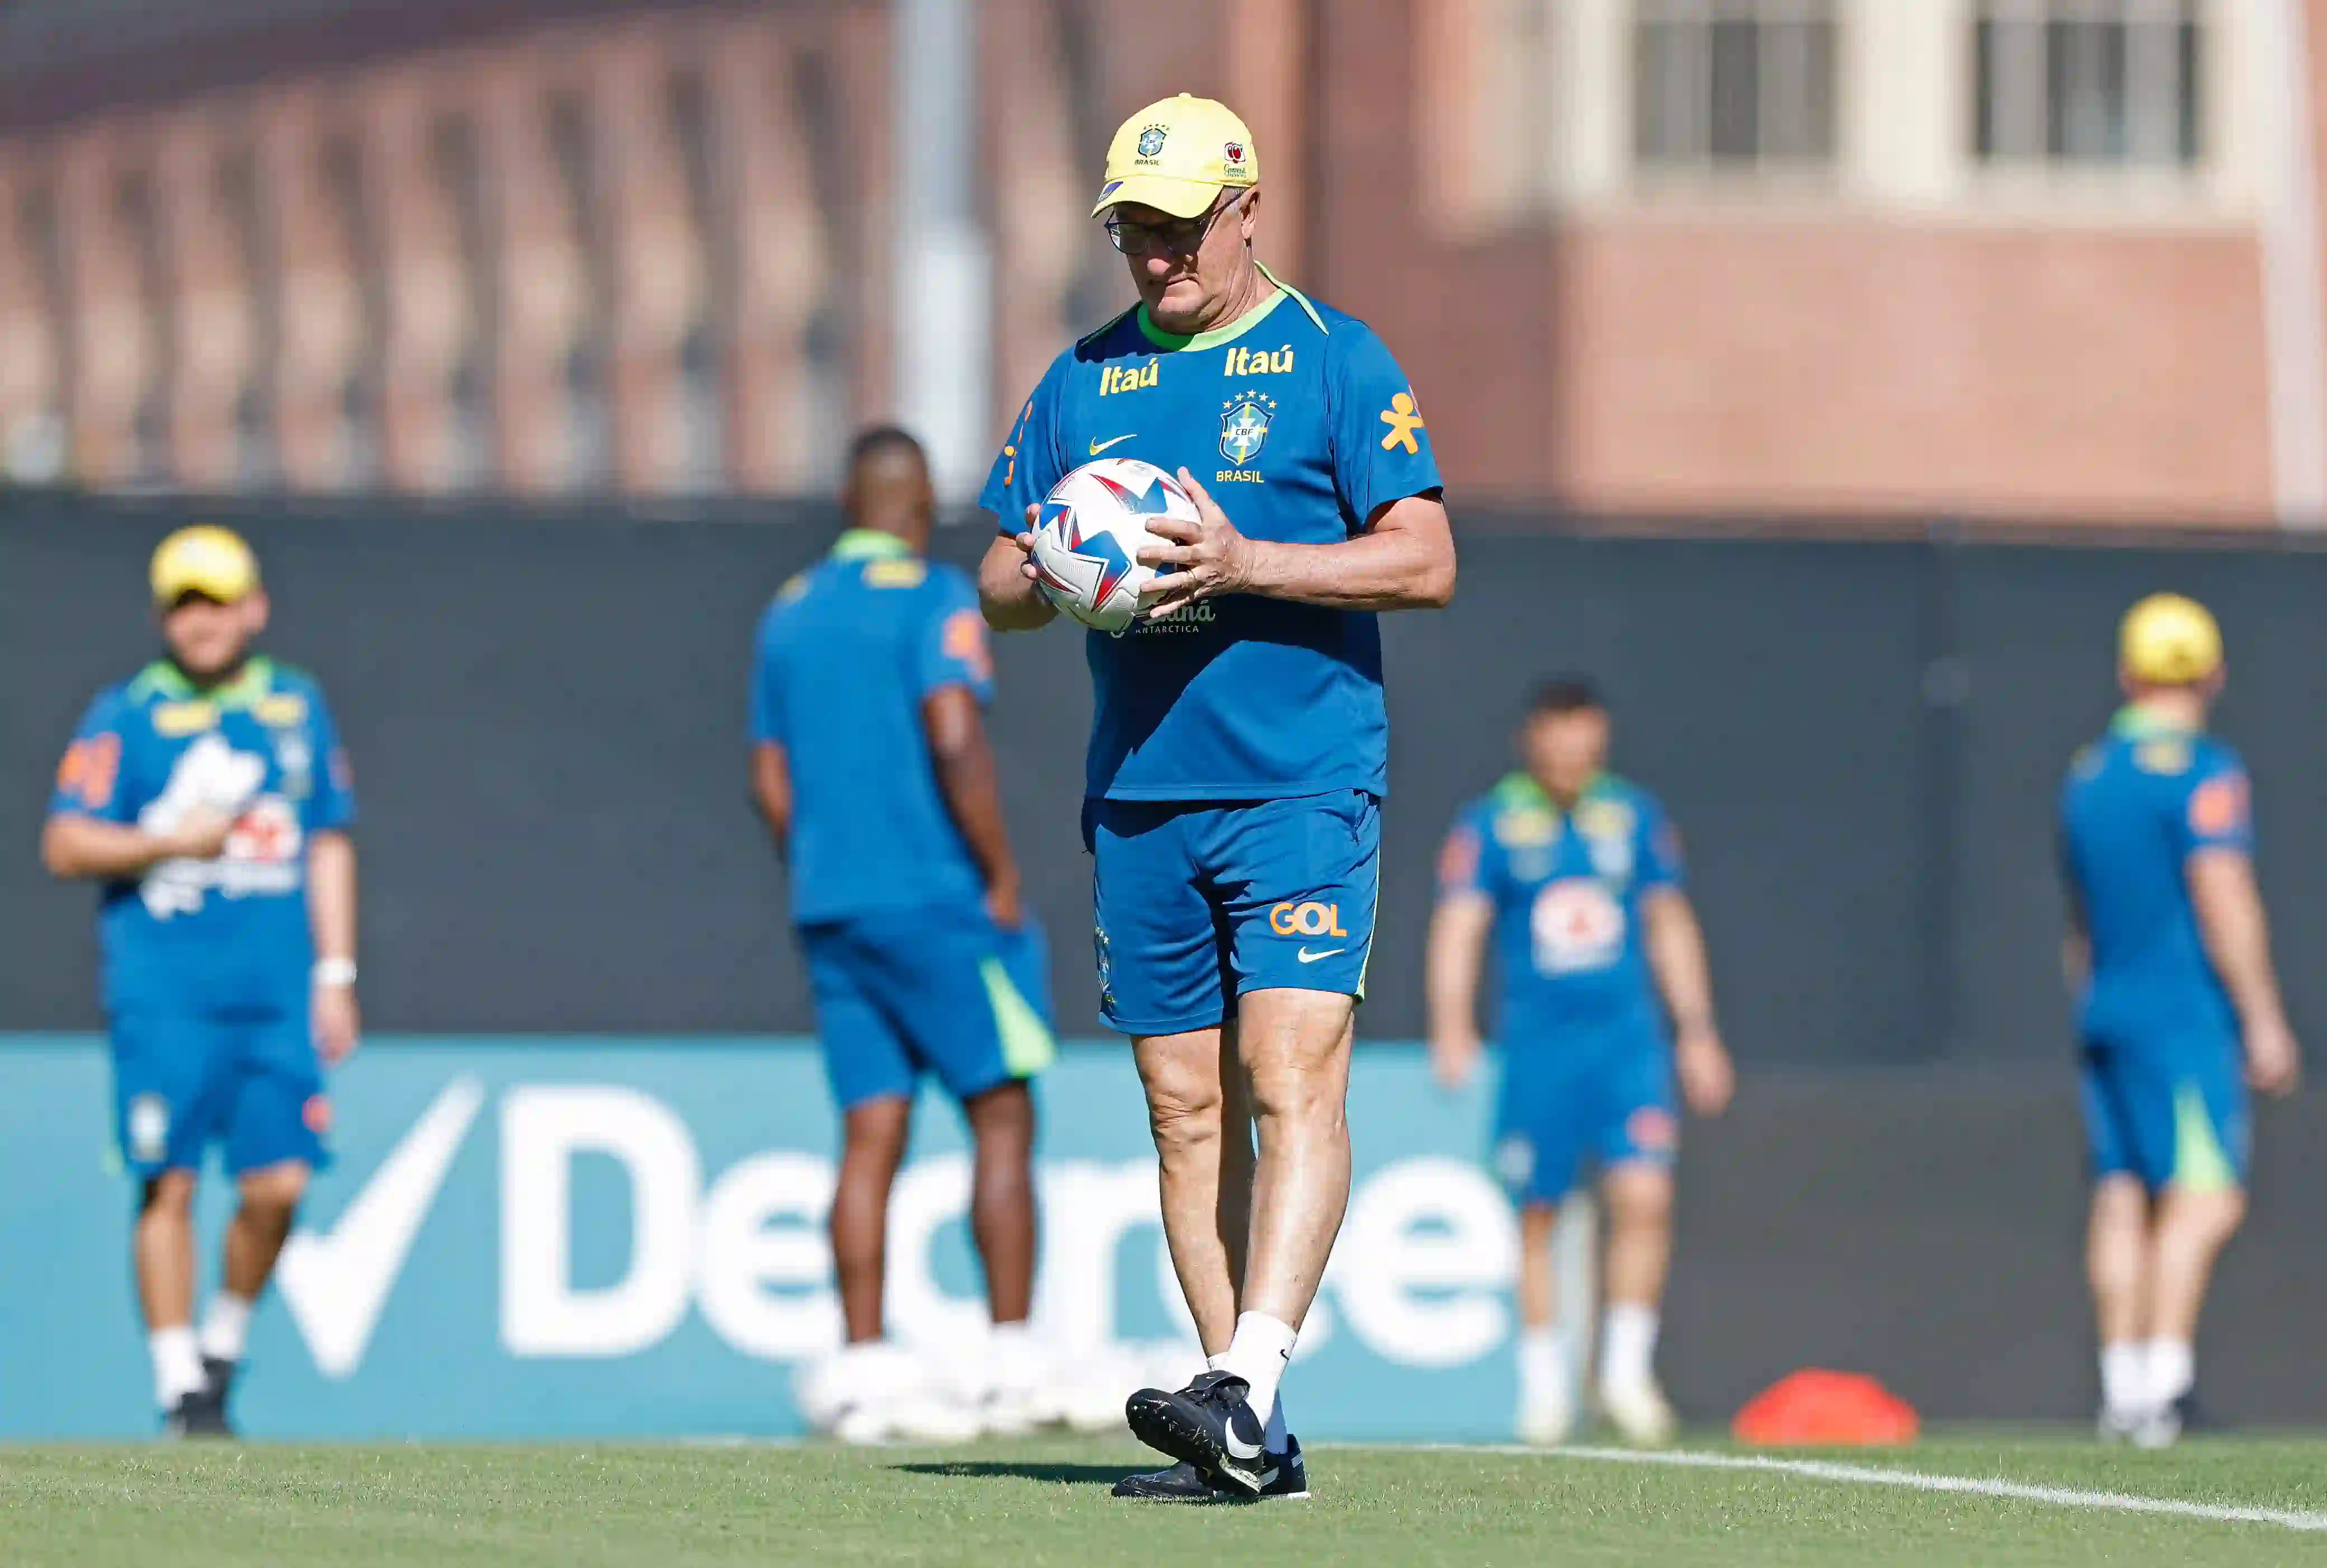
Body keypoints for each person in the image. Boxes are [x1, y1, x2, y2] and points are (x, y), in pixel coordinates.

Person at [977, 93, 1456, 1501]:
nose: (1156, 258)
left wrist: (1248, 563)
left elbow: (1422, 558)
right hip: (1140, 793)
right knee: (1182, 1107)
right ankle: (1237, 1428)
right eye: (1133, 230)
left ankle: (1248, 1376)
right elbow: (998, 579)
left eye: (1179, 229)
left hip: (1300, 780)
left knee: (1285, 1072)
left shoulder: (1330, 361)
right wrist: (1061, 568)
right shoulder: (1083, 376)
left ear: (1245, 209)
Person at [750, 426, 1058, 1444]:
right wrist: (1000, 873)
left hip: (830, 904)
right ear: (921, 507)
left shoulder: (788, 616)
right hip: (936, 896)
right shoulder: (936, 598)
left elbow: (771, 780)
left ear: (848, 500)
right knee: (1002, 1113)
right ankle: (1011, 1357)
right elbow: (953, 730)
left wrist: (828, 865)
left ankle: (862, 1364)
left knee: (871, 1131)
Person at [41, 525, 360, 1438]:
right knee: (168, 1183)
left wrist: (336, 971)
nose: (202, 622)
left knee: (280, 1186)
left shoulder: (296, 709)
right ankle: (180, 1383)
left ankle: (223, 1342)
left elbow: (328, 840)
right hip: (166, 992)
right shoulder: (125, 715)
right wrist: (166, 843)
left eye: (216, 601)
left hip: (273, 992)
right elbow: (66, 841)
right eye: (185, 604)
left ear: (254, 608)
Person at [1426, 679, 1732, 1447]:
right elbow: (1460, 926)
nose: (1572, 754)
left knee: (1645, 1196)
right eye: (1559, 737)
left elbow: (1668, 920)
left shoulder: (1632, 816)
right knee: (1536, 1212)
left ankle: (1626, 1375)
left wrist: (1697, 1030)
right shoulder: (1494, 821)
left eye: (1585, 739)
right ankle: (1544, 1386)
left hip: (1627, 1045)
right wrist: (1452, 1025)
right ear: (1533, 739)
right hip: (1539, 1049)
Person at [2058, 593, 2300, 1447]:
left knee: (2124, 1195)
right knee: (2205, 1197)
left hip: (2107, 1006)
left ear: (2129, 673)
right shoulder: (2204, 772)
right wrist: (2264, 1017)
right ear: (2212, 674)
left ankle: (2121, 1388)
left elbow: (2081, 920)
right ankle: (2162, 1385)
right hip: (2181, 1013)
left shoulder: (2090, 773)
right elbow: (2222, 896)